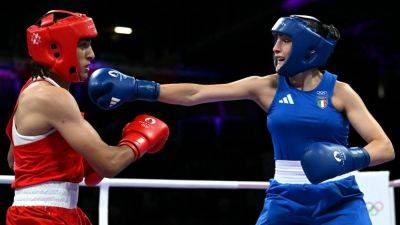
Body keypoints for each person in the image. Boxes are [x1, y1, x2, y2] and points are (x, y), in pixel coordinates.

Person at [87, 15, 395, 224]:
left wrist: (348, 157)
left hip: (340, 198)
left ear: (307, 46)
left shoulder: (341, 92)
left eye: (285, 40)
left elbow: (384, 146)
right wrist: (142, 88)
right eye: (276, 40)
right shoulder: (267, 87)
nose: (275, 48)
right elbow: (196, 93)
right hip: (286, 199)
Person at [5, 10, 169, 225]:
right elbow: (109, 163)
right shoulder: (52, 96)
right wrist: (140, 139)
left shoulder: (32, 89)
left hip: (48, 212)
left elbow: (14, 159)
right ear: (56, 49)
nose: (91, 54)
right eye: (82, 45)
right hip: (43, 215)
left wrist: (77, 162)